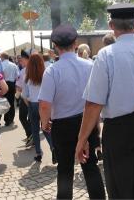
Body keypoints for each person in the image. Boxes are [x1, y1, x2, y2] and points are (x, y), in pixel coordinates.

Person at [76, 3, 134, 199]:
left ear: (111, 25)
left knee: (119, 187)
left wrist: (82, 139)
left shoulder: (106, 55)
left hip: (120, 129)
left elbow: (94, 103)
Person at [39, 24, 105, 199]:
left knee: (65, 169)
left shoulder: (52, 71)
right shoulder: (90, 65)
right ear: (76, 43)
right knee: (90, 166)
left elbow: (45, 104)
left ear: (55, 46)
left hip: (63, 125)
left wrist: (45, 122)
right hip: (87, 121)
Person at [23, 54, 54, 162]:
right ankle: (53, 148)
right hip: (45, 103)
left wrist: (30, 105)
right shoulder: (46, 74)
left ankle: (38, 153)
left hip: (32, 104)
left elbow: (24, 95)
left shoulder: (27, 76)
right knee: (46, 128)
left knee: (35, 130)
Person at [16, 50, 33, 147]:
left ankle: (31, 135)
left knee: (22, 117)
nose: (20, 62)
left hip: (25, 98)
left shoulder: (23, 71)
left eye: (21, 60)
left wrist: (16, 96)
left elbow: (19, 87)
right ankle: (32, 136)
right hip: (35, 99)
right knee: (32, 119)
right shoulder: (37, 69)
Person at [0, 52, 19, 126]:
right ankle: (11, 118)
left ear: (3, 57)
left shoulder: (2, 64)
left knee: (4, 102)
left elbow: (1, 74)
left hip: (4, 83)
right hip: (12, 84)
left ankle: (7, 119)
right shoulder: (14, 65)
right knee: (11, 101)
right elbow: (17, 76)